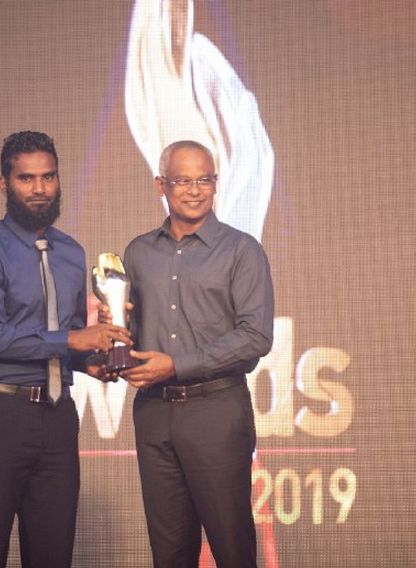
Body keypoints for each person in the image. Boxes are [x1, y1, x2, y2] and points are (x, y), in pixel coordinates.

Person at [0, 131, 130, 568]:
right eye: (26, 178)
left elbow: (68, 337)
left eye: (48, 177)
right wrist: (72, 340)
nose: (39, 188)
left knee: (53, 554)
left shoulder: (71, 252)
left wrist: (92, 362)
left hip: (57, 417)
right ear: (4, 184)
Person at [120, 140, 274, 567]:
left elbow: (256, 337)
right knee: (169, 552)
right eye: (182, 180)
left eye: (204, 180)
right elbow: (131, 333)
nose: (194, 190)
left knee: (232, 547)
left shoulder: (241, 250)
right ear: (161, 185)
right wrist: (110, 339)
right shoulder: (137, 253)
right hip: (154, 413)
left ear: (215, 183)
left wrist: (177, 365)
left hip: (216, 412)